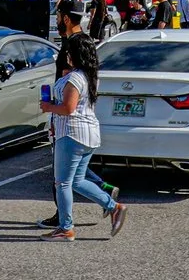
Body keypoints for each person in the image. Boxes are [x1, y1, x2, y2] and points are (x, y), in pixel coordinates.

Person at [39, 34, 124, 240]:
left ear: (77, 54)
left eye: (70, 51)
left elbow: (68, 108)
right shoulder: (89, 76)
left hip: (72, 133)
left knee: (63, 183)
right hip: (87, 134)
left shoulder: (76, 78)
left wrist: (48, 106)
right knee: (76, 181)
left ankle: (65, 227)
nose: (67, 54)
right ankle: (113, 207)